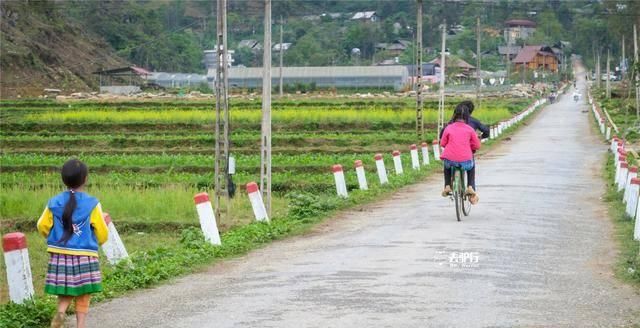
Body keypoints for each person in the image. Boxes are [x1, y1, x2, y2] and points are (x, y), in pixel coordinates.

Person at [37, 159, 108, 328]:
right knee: (83, 291)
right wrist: (99, 240)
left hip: (60, 254)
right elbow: (102, 231)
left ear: (64, 179)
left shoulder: (53, 202)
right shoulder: (93, 204)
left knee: (66, 288)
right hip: (85, 255)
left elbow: (41, 225)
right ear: (85, 179)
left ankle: (61, 312)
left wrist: (54, 236)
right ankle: (80, 325)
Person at [440, 105, 481, 204]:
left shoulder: (448, 128)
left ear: (454, 115)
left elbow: (442, 143)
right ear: (467, 116)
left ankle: (447, 186)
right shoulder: (470, 129)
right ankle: (470, 186)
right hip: (465, 161)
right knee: (471, 166)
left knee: (447, 167)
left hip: (450, 160)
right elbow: (477, 145)